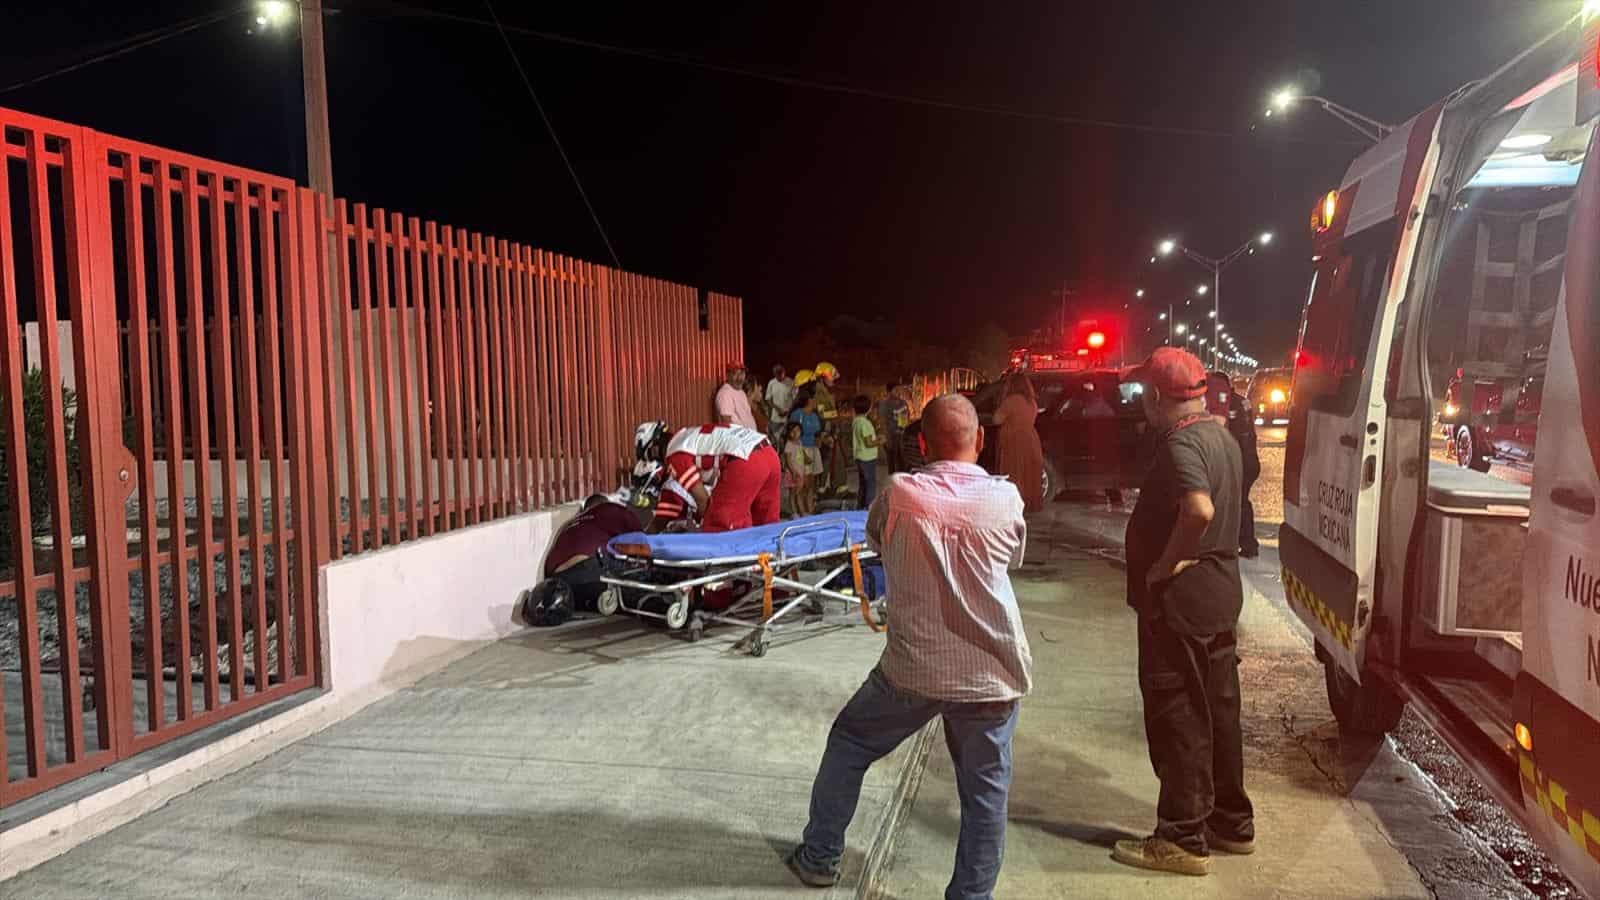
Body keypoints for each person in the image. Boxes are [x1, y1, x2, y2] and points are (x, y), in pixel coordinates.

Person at [787, 394, 1030, 899]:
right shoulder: (1006, 499)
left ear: (920, 444)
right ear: (980, 441)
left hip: (912, 671)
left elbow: (879, 540)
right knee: (985, 797)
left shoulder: (900, 493)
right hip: (992, 673)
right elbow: (1013, 558)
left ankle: (819, 857)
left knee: (849, 744)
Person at [1116, 347, 1254, 877]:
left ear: (1156, 396)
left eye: (1143, 393)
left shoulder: (1181, 445)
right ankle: (1230, 821)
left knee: (1179, 715)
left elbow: (1199, 509)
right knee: (1219, 713)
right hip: (1219, 597)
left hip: (1183, 604)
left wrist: (1162, 566)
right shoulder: (1222, 436)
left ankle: (1180, 837)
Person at [520, 493, 642, 625]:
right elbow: (641, 538)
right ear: (604, 504)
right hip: (589, 569)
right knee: (639, 572)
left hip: (560, 582)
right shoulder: (608, 509)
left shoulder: (569, 524)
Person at [650, 423, 781, 533]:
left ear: (654, 450)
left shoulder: (674, 453)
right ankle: (773, 560)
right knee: (766, 526)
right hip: (769, 453)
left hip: (745, 460)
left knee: (719, 526)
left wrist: (705, 525)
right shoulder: (687, 437)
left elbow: (702, 499)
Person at [1208, 371, 1260, 558]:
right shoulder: (1242, 400)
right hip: (1250, 459)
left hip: (1239, 461)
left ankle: (1240, 543)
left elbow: (1223, 431)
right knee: (1241, 501)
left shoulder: (1224, 402)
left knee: (1234, 502)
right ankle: (1247, 544)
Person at [992, 373, 1045, 513]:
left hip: (1014, 441)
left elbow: (996, 419)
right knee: (1028, 474)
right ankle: (1028, 505)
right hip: (1031, 440)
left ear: (1012, 385)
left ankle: (1013, 506)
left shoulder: (1012, 400)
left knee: (1014, 473)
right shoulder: (1032, 402)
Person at [788, 386, 825, 513]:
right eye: (814, 399)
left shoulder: (814, 415)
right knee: (802, 483)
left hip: (814, 449)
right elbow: (791, 433)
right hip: (802, 450)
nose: (816, 401)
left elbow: (818, 432)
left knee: (811, 482)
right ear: (809, 400)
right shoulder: (797, 415)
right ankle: (799, 509)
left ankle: (809, 507)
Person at [850, 394, 885, 509]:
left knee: (863, 484)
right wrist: (880, 441)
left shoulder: (856, 421)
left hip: (860, 456)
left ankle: (860, 507)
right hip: (867, 457)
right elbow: (869, 443)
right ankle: (869, 507)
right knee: (870, 484)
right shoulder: (864, 423)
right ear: (869, 408)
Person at [783, 420, 816, 517]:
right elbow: (788, 460)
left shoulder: (799, 443)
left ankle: (802, 511)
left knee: (800, 492)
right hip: (793, 473)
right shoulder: (789, 445)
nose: (796, 433)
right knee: (793, 493)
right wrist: (793, 471)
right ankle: (794, 512)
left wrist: (807, 459)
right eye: (793, 431)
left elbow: (802, 453)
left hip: (800, 472)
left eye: (798, 430)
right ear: (789, 433)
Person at [877, 382, 911, 474]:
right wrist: (887, 438)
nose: (899, 392)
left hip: (903, 436)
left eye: (900, 389)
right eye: (896, 390)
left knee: (904, 462)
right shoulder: (884, 404)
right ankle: (892, 482)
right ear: (889, 391)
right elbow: (882, 421)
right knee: (892, 463)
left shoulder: (903, 403)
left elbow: (907, 417)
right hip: (891, 436)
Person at [715, 363, 760, 431]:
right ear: (727, 376)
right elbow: (726, 423)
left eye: (742, 373)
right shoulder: (725, 393)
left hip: (749, 438)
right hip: (739, 439)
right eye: (735, 374)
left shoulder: (741, 392)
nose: (739, 378)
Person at [766, 365, 797, 443]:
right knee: (774, 440)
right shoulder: (771, 383)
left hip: (788, 418)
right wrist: (777, 409)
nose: (779, 376)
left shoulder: (791, 382)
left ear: (784, 372)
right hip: (775, 418)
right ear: (774, 374)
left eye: (781, 374)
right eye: (777, 375)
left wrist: (788, 411)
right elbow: (768, 399)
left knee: (787, 440)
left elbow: (795, 399)